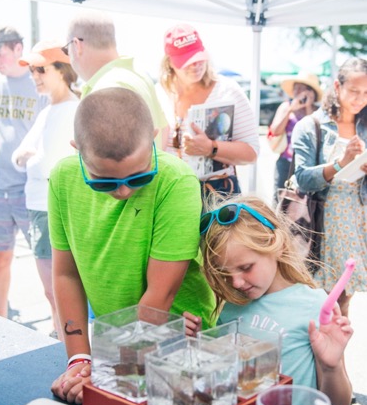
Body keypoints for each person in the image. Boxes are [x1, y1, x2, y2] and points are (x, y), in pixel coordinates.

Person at [49, 87, 216, 405]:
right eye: (103, 181)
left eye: (139, 177)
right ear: (77, 151)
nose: (124, 191)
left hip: (181, 344)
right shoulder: (61, 179)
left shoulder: (176, 181)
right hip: (117, 342)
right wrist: (80, 361)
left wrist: (107, 373)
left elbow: (159, 298)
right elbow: (66, 275)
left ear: (154, 138)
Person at [187, 195, 353, 405]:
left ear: (276, 242)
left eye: (246, 267)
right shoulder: (232, 301)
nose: (235, 282)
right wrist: (199, 344)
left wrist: (332, 367)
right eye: (224, 273)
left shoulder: (315, 305)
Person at [11, 40, 80, 339]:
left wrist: (29, 159)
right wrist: (30, 159)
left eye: (41, 69)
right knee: (54, 291)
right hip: (40, 206)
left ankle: (65, 350)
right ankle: (63, 346)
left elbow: (48, 166)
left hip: (51, 209)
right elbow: (20, 157)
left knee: (59, 291)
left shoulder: (70, 109)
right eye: (32, 70)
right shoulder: (48, 110)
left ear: (62, 69)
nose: (34, 75)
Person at [291, 58, 367, 318]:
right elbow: (302, 178)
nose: (360, 99)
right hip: (322, 224)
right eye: (355, 91)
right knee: (319, 304)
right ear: (337, 86)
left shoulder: (365, 126)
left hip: (357, 222)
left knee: (344, 302)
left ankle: (336, 356)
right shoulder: (310, 126)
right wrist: (341, 163)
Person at [156, 23, 259, 198]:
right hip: (173, 194)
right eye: (187, 61)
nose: (195, 65)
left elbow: (251, 153)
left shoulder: (227, 91)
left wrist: (211, 148)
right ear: (169, 62)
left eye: (198, 57)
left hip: (217, 194)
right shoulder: (160, 93)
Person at [0, 25, 48, 318]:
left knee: (45, 260)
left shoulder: (38, 84)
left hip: (30, 188)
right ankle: (0, 320)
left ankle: (58, 324)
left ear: (17, 49)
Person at [62, 9, 168, 149]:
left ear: (77, 45)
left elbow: (112, 164)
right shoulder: (140, 76)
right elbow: (164, 131)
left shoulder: (105, 89)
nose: (68, 55)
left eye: (66, 49)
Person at [269, 71, 322, 203]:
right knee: (280, 201)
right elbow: (275, 130)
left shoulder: (317, 111)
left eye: (303, 88)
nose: (298, 91)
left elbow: (316, 132)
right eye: (296, 87)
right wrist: (290, 110)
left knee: (305, 203)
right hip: (285, 162)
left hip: (309, 165)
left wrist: (308, 107)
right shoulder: (286, 106)